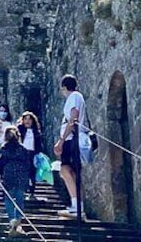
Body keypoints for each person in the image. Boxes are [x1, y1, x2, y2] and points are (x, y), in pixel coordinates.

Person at [53, 74, 87, 218]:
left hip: (71, 139)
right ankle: (77, 206)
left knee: (65, 171)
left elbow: (73, 117)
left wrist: (62, 139)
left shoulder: (73, 97)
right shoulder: (77, 97)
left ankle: (77, 207)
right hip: (71, 139)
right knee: (70, 172)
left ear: (64, 88)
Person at [0, 126, 31, 236]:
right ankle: (18, 220)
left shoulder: (4, 149)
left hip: (9, 175)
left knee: (8, 198)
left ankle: (12, 219)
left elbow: (0, 164)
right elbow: (28, 164)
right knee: (19, 198)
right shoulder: (23, 149)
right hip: (21, 175)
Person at [17, 111, 43, 199]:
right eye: (25, 119)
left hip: (32, 154)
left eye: (29, 119)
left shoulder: (36, 132)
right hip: (22, 153)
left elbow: (39, 145)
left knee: (32, 173)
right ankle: (22, 190)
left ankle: (32, 191)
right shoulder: (19, 130)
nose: (27, 121)